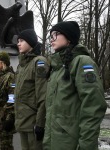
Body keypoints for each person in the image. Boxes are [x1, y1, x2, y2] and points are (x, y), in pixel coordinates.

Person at [43, 21, 107, 150]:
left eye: (55, 34)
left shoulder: (82, 62)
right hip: (53, 142)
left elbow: (93, 107)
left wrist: (86, 145)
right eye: (50, 36)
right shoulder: (57, 68)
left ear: (69, 37)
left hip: (71, 143)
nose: (51, 39)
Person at [14, 29, 49, 150]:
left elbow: (43, 96)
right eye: (18, 41)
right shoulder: (21, 66)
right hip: (22, 122)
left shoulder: (39, 62)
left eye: (22, 40)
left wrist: (40, 124)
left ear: (31, 42)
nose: (18, 43)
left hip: (33, 123)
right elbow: (17, 94)